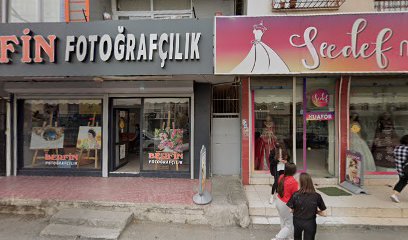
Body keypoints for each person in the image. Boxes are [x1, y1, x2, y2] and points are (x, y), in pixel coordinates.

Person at [287, 173, 327, 240]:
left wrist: (297, 209)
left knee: (297, 238)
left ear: (301, 182)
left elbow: (290, 210)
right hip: (310, 223)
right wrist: (315, 211)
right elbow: (324, 213)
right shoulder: (317, 196)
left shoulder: (295, 195)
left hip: (297, 221)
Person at [271, 163, 298, 240]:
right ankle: (278, 238)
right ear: (294, 171)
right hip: (286, 204)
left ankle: (288, 237)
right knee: (289, 225)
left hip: (278, 201)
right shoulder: (293, 182)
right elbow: (295, 196)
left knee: (283, 220)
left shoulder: (281, 177)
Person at [269, 140, 290, 204]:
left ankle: (278, 194)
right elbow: (270, 161)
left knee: (282, 182)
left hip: (283, 168)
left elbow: (288, 159)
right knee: (276, 182)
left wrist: (286, 161)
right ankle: (272, 196)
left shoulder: (285, 151)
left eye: (279, 144)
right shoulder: (273, 151)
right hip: (276, 168)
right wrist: (277, 161)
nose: (277, 145)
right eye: (277, 144)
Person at [390, 135, 408, 203]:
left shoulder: (397, 148)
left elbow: (396, 159)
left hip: (400, 169)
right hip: (407, 168)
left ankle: (394, 194)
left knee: (402, 181)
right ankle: (394, 195)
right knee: (403, 181)